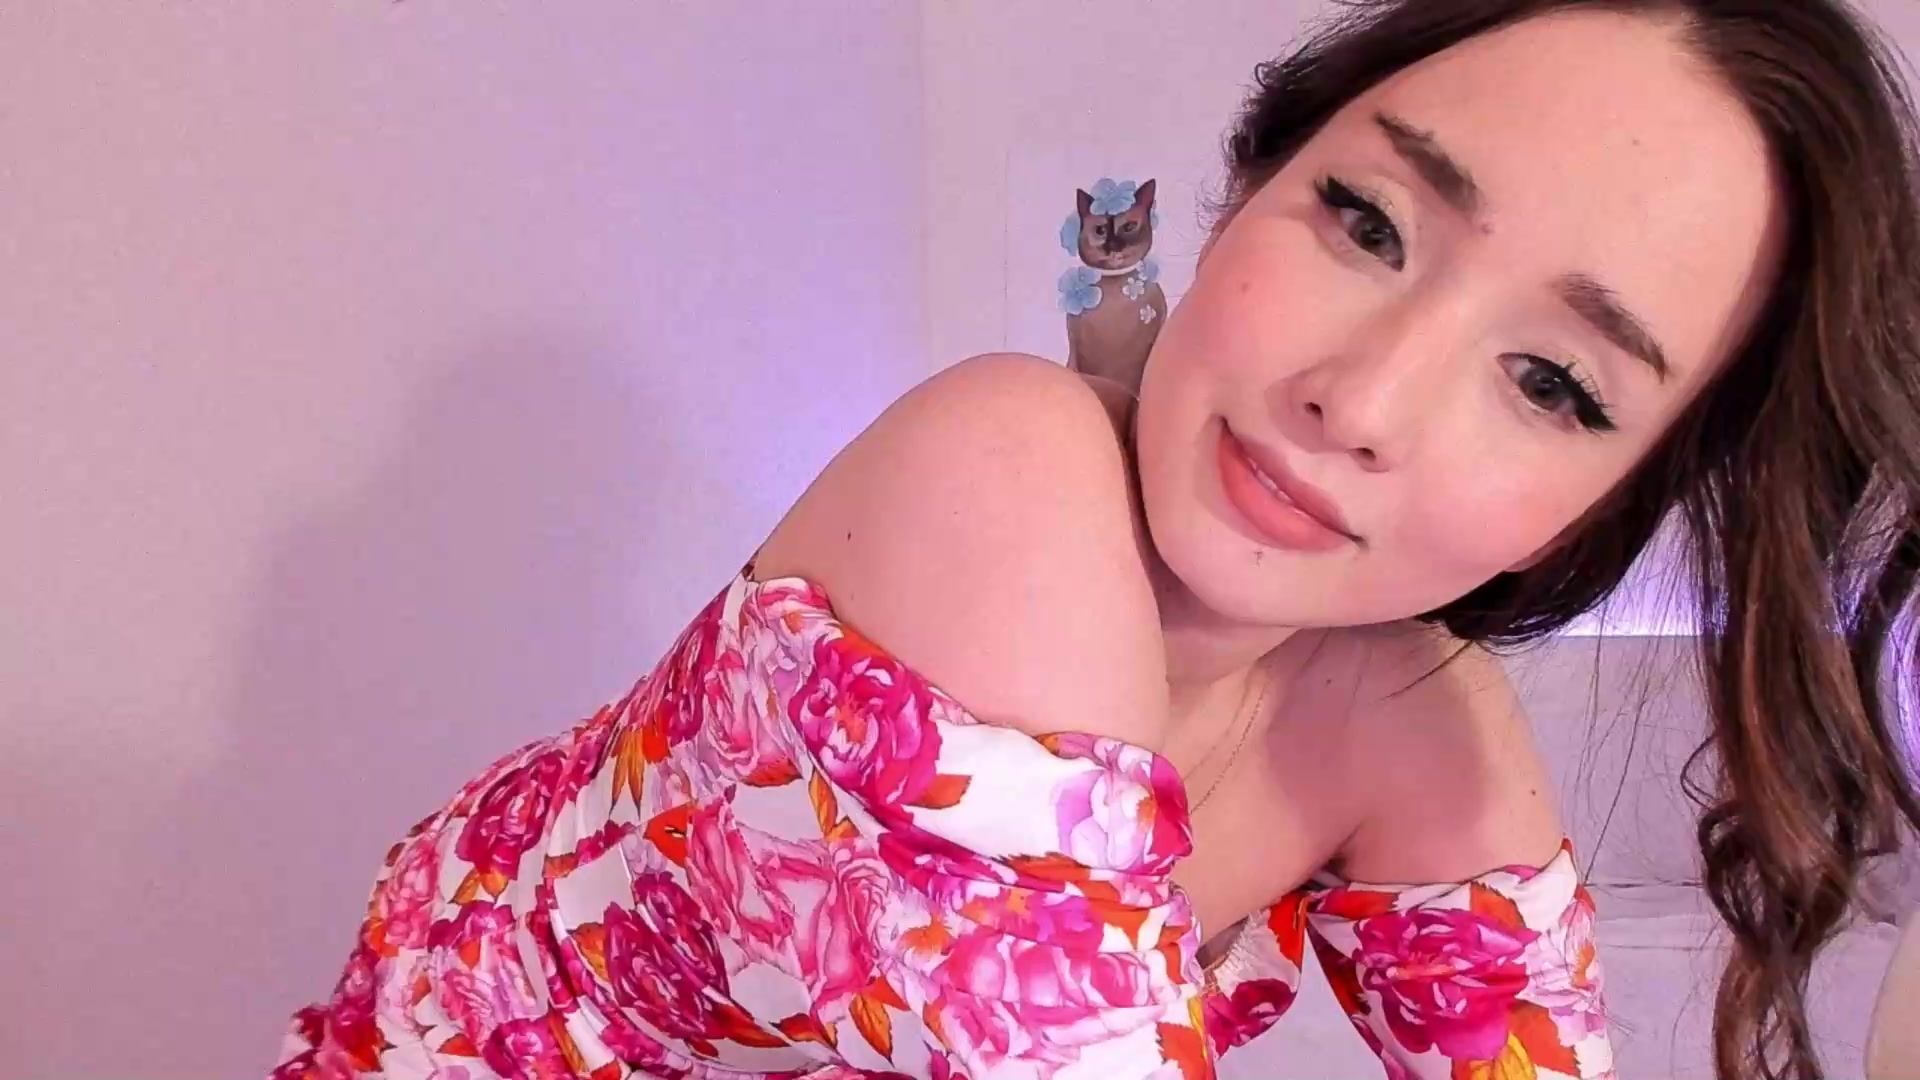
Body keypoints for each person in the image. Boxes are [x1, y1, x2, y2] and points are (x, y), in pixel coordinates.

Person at [273, 2, 1920, 1078]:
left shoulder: (1415, 729)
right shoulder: (1007, 467)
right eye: (1366, 221)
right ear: (1252, 186)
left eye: (1552, 383)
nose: (1361, 397)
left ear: (1610, 504)